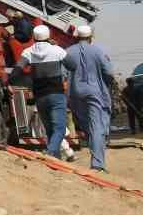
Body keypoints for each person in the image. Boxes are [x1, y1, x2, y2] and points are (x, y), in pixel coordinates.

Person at [62, 24, 115, 172]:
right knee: (97, 127)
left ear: (77, 37)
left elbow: (62, 76)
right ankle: (97, 164)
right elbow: (109, 72)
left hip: (75, 95)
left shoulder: (68, 52)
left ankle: (94, 147)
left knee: (88, 126)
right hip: (95, 93)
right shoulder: (98, 51)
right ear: (90, 37)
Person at [14, 25, 69, 158]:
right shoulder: (57, 50)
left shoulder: (28, 52)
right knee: (60, 129)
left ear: (33, 37)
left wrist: (10, 81)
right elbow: (72, 65)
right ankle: (50, 153)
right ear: (49, 36)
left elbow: (17, 71)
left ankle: (55, 159)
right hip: (56, 95)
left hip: (40, 97)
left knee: (49, 129)